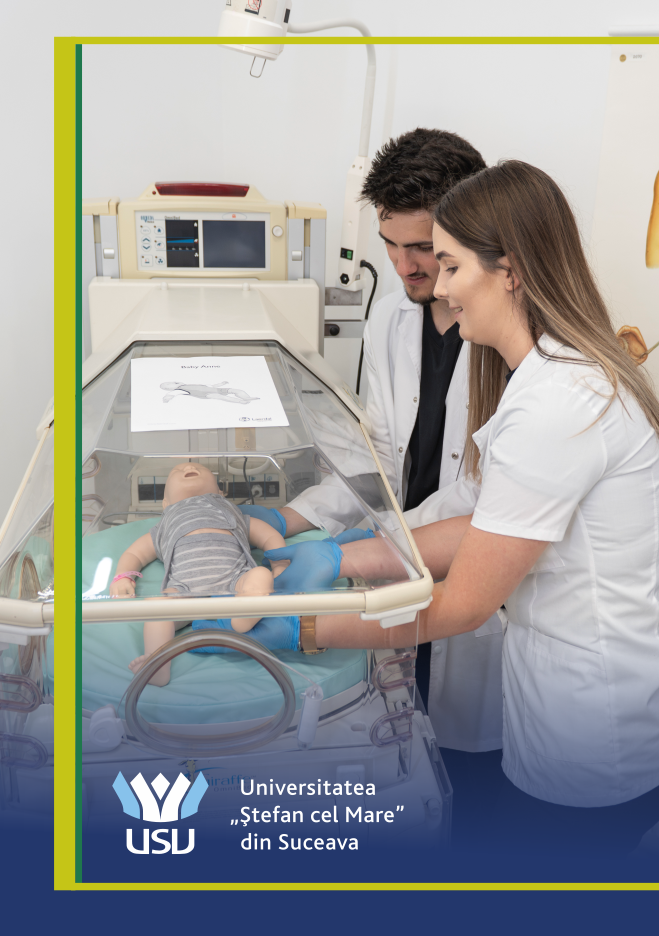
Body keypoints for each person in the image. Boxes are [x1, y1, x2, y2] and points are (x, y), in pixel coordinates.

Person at [292, 160, 659, 864]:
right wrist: (342, 556)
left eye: (453, 266)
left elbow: (461, 605)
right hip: (567, 696)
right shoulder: (550, 377)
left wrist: (306, 627)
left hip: (591, 727)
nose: (441, 286)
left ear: (509, 271)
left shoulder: (559, 402)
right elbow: (488, 519)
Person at [247, 130, 504, 844]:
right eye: (389, 244)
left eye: (421, 248)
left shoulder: (507, 339)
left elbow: (483, 499)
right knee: (406, 744)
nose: (402, 265)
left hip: (476, 586)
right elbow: (377, 457)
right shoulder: (392, 314)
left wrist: (362, 550)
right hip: (402, 570)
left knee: (473, 780)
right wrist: (292, 517)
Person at [109, 462, 290, 685]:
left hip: (236, 581)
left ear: (221, 493)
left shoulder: (232, 513)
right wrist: (123, 576)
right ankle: (157, 665)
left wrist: (279, 564)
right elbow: (135, 553)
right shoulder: (164, 525)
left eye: (200, 468)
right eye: (177, 470)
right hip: (185, 591)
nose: (188, 467)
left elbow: (269, 536)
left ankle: (244, 615)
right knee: (156, 607)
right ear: (165, 503)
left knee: (261, 574)